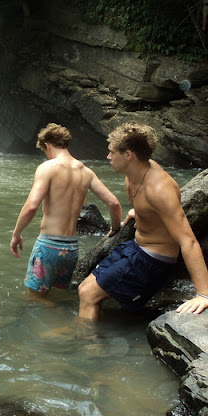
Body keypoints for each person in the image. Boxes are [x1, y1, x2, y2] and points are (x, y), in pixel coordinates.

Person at [78, 123, 208, 319]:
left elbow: (187, 240)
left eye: (112, 152)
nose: (108, 157)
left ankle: (85, 345)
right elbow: (148, 206)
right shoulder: (133, 174)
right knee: (83, 288)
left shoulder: (159, 190)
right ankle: (91, 334)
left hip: (153, 261)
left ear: (128, 154)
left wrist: (203, 294)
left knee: (89, 295)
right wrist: (139, 212)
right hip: (136, 248)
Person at [10, 123, 122, 299]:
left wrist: (16, 233)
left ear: (47, 145)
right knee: (57, 296)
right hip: (71, 249)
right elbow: (114, 203)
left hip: (49, 246)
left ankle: (57, 318)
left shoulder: (48, 168)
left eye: (45, 151)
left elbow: (32, 206)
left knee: (35, 300)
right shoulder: (86, 172)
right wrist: (115, 229)